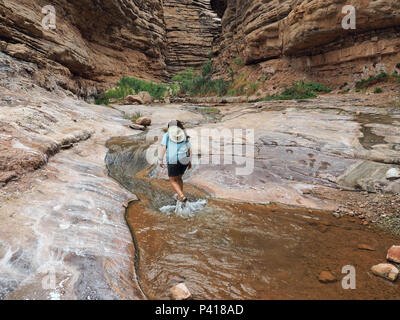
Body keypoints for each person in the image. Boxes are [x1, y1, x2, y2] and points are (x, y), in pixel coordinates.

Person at [159, 120, 192, 202]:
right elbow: (188, 149)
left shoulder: (167, 135)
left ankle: (181, 195)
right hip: (184, 159)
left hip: (173, 160)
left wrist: (160, 159)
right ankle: (180, 196)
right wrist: (189, 161)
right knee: (179, 178)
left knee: (172, 180)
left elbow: (163, 148)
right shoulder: (184, 135)